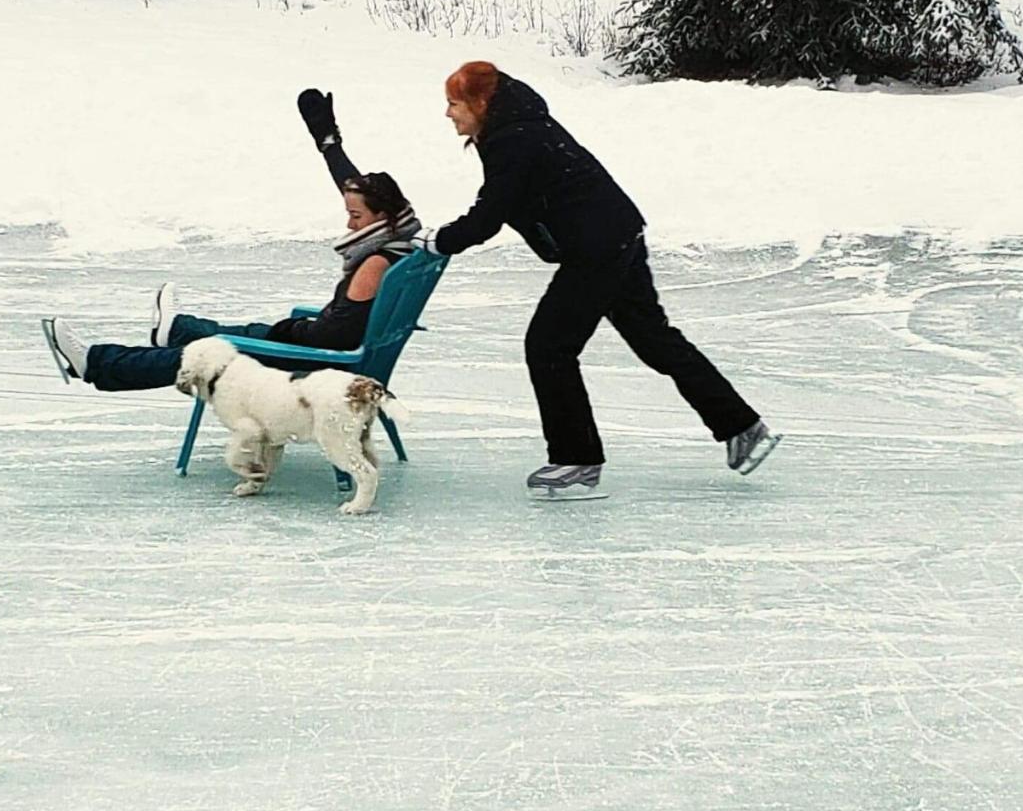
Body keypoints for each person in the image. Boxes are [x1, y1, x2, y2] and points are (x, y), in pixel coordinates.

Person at [410, 61, 780, 499]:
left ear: (480, 103)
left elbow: (490, 214)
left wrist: (437, 242)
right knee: (653, 340)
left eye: (454, 104)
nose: (448, 114)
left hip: (597, 247)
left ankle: (577, 461)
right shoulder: (518, 129)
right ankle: (743, 427)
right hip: (616, 233)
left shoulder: (514, 138)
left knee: (549, 346)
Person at [43, 91, 421, 391]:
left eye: (355, 217)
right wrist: (329, 144)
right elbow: (359, 191)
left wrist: (295, 331)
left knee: (206, 357)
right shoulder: (399, 240)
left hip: (318, 361)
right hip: (319, 351)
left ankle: (96, 362)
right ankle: (177, 329)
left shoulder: (374, 265)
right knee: (243, 335)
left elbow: (335, 336)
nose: (350, 225)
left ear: (381, 218)